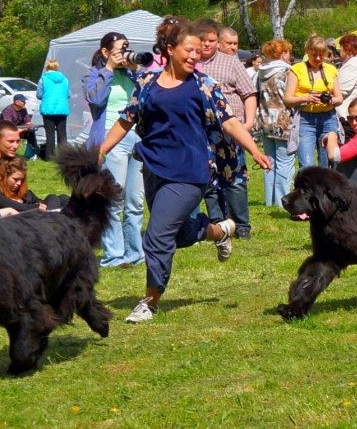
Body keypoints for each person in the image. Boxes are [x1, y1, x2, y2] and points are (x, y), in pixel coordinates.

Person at [97, 18, 271, 323]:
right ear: (170, 50)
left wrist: (254, 149)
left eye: (198, 51)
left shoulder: (203, 86)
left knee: (156, 235)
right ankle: (217, 230)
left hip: (191, 172)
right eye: (188, 50)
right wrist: (100, 151)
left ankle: (149, 302)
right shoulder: (147, 84)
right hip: (153, 168)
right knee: (173, 234)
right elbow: (127, 119)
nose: (195, 56)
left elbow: (228, 121)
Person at [83, 31, 145, 267]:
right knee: (114, 200)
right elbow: (96, 99)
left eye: (126, 48)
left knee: (135, 201)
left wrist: (138, 69)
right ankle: (115, 255)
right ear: (106, 52)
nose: (124, 53)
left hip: (136, 140)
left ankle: (135, 253)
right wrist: (109, 67)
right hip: (111, 140)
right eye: (120, 49)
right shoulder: (94, 74)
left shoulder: (131, 74)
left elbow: (148, 94)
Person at [197, 18, 257, 239]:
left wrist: (248, 123)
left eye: (212, 40)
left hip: (231, 130)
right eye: (203, 40)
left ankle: (242, 225)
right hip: (202, 132)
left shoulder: (231, 62)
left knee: (235, 178)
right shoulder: (191, 63)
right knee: (208, 178)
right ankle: (218, 223)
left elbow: (249, 93)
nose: (207, 45)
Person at [284, 35, 343, 169]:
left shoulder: (331, 69)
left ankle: (328, 189)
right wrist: (306, 98)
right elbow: (288, 99)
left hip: (328, 119)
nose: (317, 59)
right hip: (306, 120)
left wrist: (332, 100)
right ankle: (307, 189)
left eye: (321, 55)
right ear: (307, 52)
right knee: (306, 164)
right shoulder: (296, 69)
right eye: (314, 55)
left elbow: (340, 98)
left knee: (328, 162)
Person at [255, 39, 297, 208]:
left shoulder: (261, 72)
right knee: (285, 162)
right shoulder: (287, 72)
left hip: (265, 121)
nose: (289, 56)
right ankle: (281, 202)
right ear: (282, 54)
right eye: (287, 52)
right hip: (282, 121)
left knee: (269, 161)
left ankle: (269, 200)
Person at [0, 157, 69, 210]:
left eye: (22, 179)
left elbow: (37, 202)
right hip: (25, 225)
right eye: (16, 179)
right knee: (52, 198)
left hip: (36, 218)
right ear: (4, 177)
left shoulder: (25, 194)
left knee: (63, 198)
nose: (19, 183)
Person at [36, 59, 70, 160]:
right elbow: (69, 94)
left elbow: (39, 94)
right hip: (62, 108)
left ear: (47, 67)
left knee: (49, 133)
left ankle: (49, 156)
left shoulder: (43, 79)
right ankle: (64, 155)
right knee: (62, 133)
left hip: (48, 108)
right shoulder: (65, 79)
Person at [336, 33, 357, 119]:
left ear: (347, 48)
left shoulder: (353, 65)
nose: (339, 51)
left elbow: (341, 90)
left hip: (345, 115)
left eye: (341, 48)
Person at [0, 94, 39, 159]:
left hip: (18, 129)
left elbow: (27, 121)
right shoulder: (8, 110)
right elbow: (8, 126)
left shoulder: (24, 110)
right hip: (4, 131)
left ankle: (32, 153)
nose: (25, 103)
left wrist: (29, 125)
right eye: (23, 101)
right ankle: (7, 154)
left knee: (31, 132)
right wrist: (18, 130)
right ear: (16, 102)